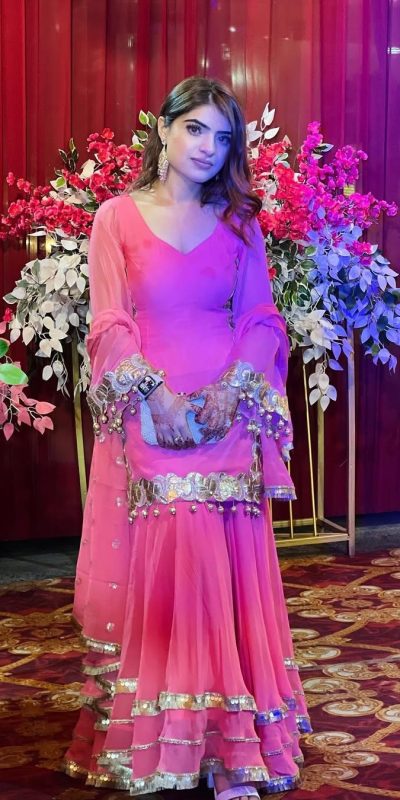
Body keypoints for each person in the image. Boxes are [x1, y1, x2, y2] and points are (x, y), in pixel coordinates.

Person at [64, 75, 311, 799]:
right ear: (164, 130)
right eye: (195, 129)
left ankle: (231, 748)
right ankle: (166, 741)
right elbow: (108, 322)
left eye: (222, 137)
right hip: (151, 411)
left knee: (222, 566)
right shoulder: (116, 217)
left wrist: (232, 388)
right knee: (174, 561)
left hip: (224, 412)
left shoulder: (239, 223)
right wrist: (154, 394)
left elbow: (261, 318)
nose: (208, 147)